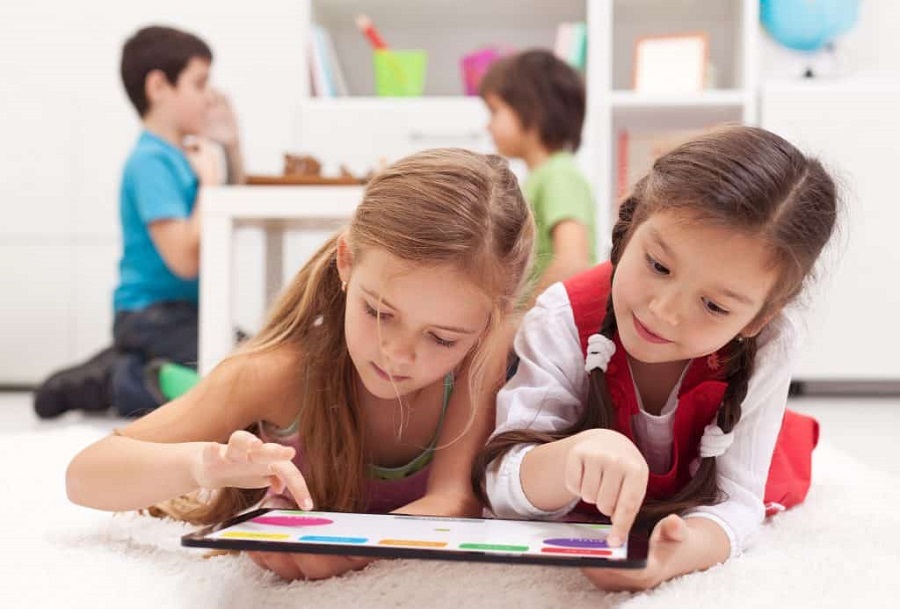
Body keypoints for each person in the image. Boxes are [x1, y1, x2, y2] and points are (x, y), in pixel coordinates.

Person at [66, 148, 536, 581]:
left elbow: (455, 500)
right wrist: (203, 465)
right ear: (346, 261)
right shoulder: (276, 373)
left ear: (490, 321)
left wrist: (350, 548)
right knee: (186, 391)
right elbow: (85, 475)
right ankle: (131, 373)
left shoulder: (482, 357)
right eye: (379, 313)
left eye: (440, 338)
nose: (397, 353)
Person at [472, 125, 838, 591]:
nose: (664, 312)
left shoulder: (773, 341)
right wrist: (570, 460)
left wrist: (670, 557)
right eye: (658, 266)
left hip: (710, 467)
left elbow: (737, 502)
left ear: (759, 318)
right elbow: (501, 485)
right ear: (629, 228)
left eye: (714, 306)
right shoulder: (563, 316)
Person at [33, 25, 245, 419]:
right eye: (199, 84)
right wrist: (209, 185)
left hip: (183, 312)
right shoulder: (151, 161)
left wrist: (230, 145)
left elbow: (228, 212)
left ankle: (133, 364)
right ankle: (120, 377)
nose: (209, 97)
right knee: (239, 381)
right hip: (153, 314)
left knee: (255, 365)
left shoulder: (185, 156)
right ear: (158, 86)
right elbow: (183, 259)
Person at [480, 49, 596, 304]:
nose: (487, 125)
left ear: (532, 110)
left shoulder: (559, 175)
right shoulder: (540, 178)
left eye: (495, 111)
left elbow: (572, 261)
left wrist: (519, 323)